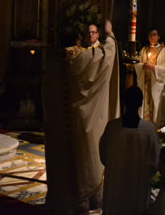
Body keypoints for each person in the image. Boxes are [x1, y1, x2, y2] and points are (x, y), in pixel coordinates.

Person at [44, 20, 120, 215]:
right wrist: (109, 34)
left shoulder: (51, 60)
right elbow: (106, 56)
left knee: (62, 162)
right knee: (85, 161)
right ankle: (85, 202)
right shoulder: (83, 58)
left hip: (59, 123)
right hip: (82, 122)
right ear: (78, 40)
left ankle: (61, 202)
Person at [99, 86, 160, 215]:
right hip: (138, 188)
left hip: (115, 186)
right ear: (141, 103)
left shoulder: (112, 127)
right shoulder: (149, 130)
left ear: (124, 102)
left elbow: (103, 156)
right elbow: (155, 162)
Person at [135, 28, 165, 128]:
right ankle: (143, 127)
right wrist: (142, 66)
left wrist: (154, 68)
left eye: (154, 35)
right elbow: (137, 64)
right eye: (150, 35)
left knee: (156, 109)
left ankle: (156, 129)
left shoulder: (163, 51)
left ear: (158, 37)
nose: (152, 37)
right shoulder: (144, 50)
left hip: (157, 86)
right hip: (145, 84)